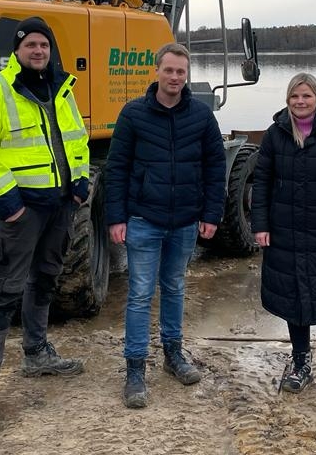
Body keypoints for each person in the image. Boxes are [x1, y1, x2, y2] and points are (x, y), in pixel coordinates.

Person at [0, 15, 91, 432]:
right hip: (22, 212)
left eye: (44, 45)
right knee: (3, 294)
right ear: (17, 51)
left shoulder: (61, 87)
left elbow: (77, 139)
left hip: (59, 206)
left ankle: (37, 354)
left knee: (46, 279)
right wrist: (11, 205)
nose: (38, 51)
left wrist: (80, 184)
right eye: (30, 45)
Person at [105, 42, 226, 409]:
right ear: (156, 71)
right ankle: (135, 369)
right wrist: (116, 217)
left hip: (186, 220)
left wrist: (211, 214)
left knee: (174, 287)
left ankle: (174, 355)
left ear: (186, 75)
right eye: (169, 70)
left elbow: (215, 167)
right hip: (144, 219)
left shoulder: (201, 116)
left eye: (181, 72)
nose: (175, 77)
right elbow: (117, 168)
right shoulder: (133, 114)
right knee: (140, 293)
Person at [250, 72, 316, 407]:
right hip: (283, 233)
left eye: (306, 96)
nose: (300, 102)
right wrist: (261, 225)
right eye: (295, 96)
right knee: (293, 302)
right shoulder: (275, 135)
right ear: (288, 100)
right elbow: (262, 184)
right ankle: (301, 363)